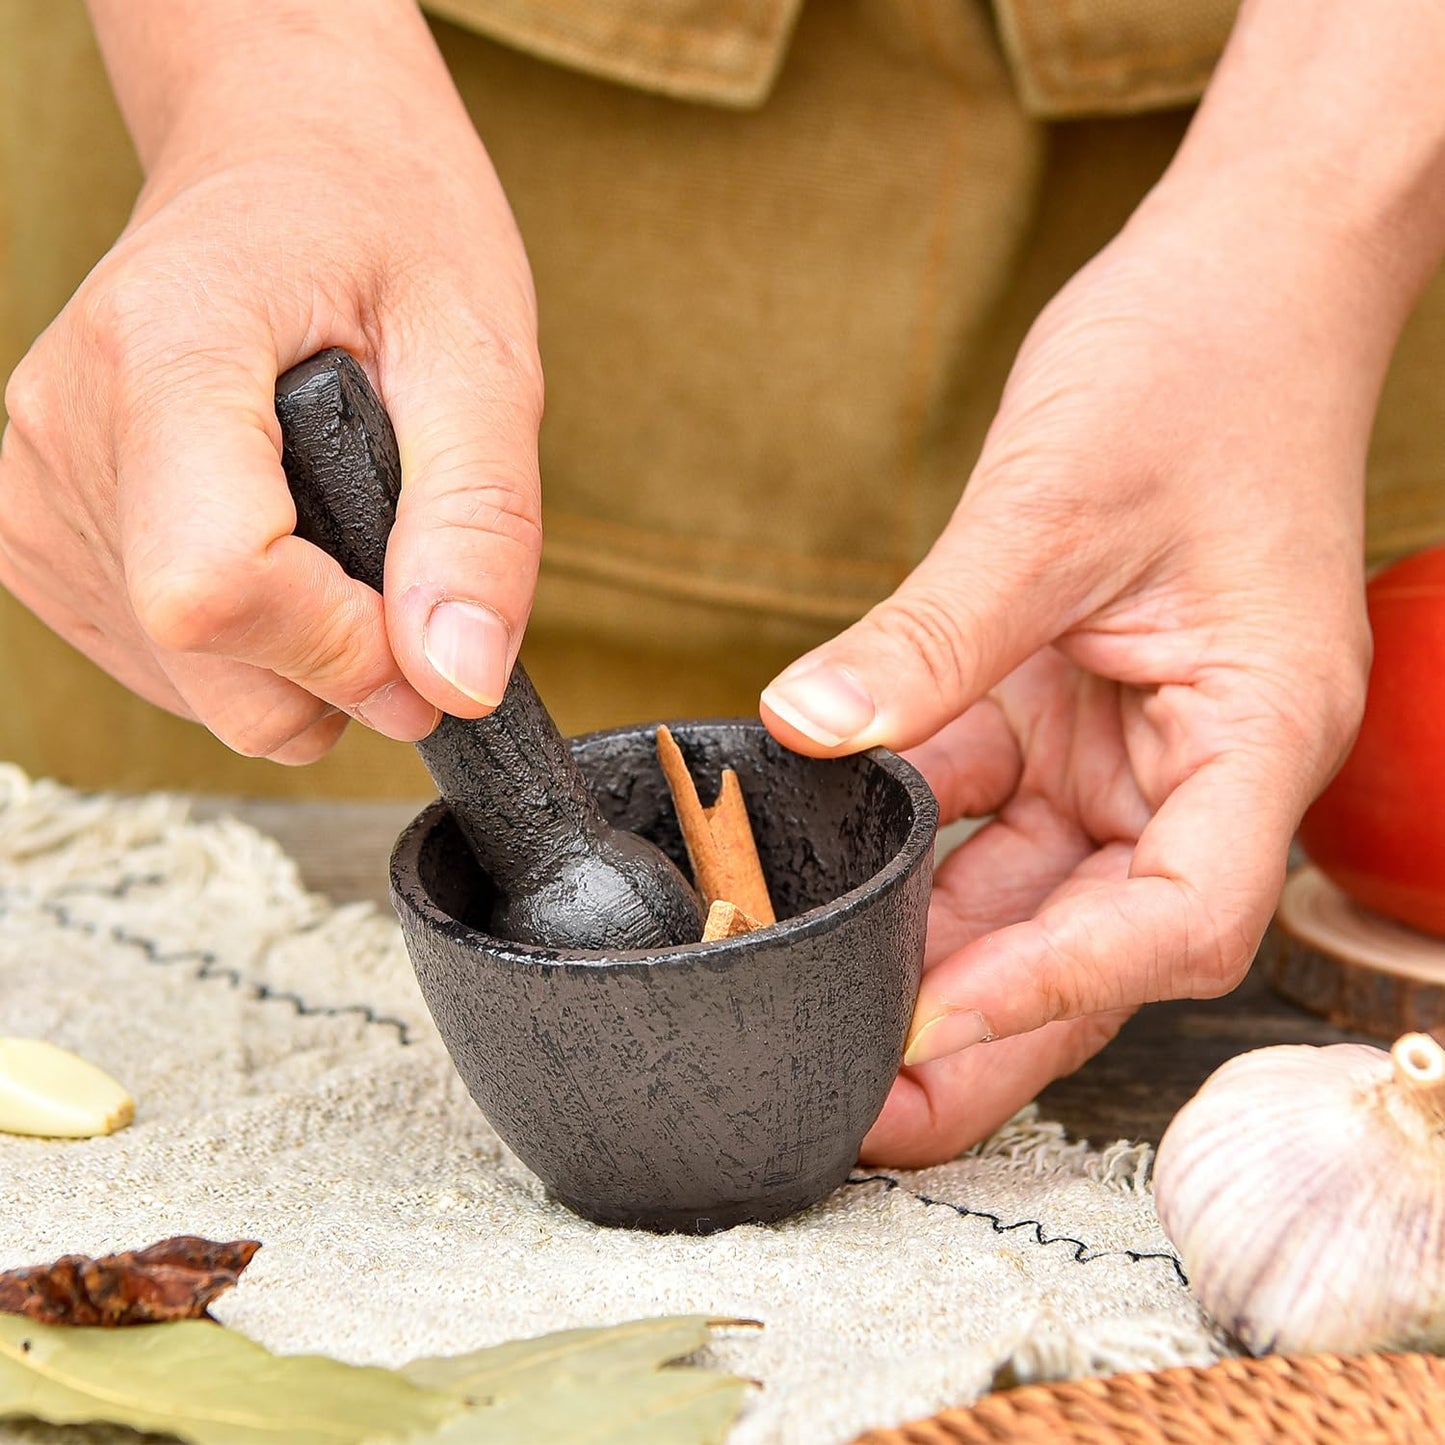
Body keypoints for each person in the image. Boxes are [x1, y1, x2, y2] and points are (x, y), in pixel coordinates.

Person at [1, 0, 1443, 1166]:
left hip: (1282, 235)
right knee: (257, 685)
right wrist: (268, 87)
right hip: (393, 168)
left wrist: (1310, 216)